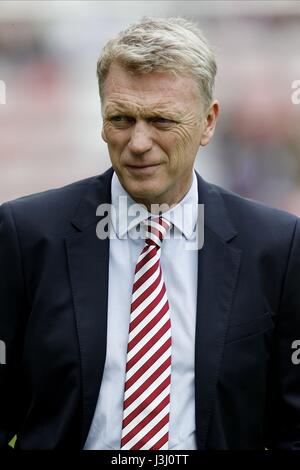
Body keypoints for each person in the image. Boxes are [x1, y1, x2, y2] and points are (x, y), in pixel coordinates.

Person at [0, 17, 299, 451]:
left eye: (161, 120)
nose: (138, 142)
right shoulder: (25, 236)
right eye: (121, 119)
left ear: (208, 121)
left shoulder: (276, 247)